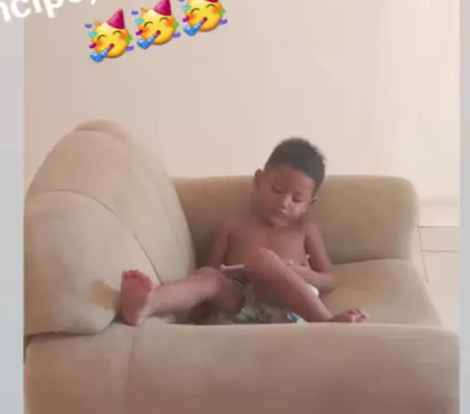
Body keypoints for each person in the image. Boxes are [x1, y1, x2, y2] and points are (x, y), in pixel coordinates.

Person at [120, 138, 369, 327]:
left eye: (296, 199)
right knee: (208, 276)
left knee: (262, 259)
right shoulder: (234, 227)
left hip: (289, 305)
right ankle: (150, 303)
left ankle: (326, 323)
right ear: (259, 181)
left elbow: (330, 278)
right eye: (277, 190)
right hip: (240, 304)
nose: (284, 203)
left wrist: (305, 274)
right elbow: (212, 270)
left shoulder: (305, 230)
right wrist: (202, 303)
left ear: (309, 204)